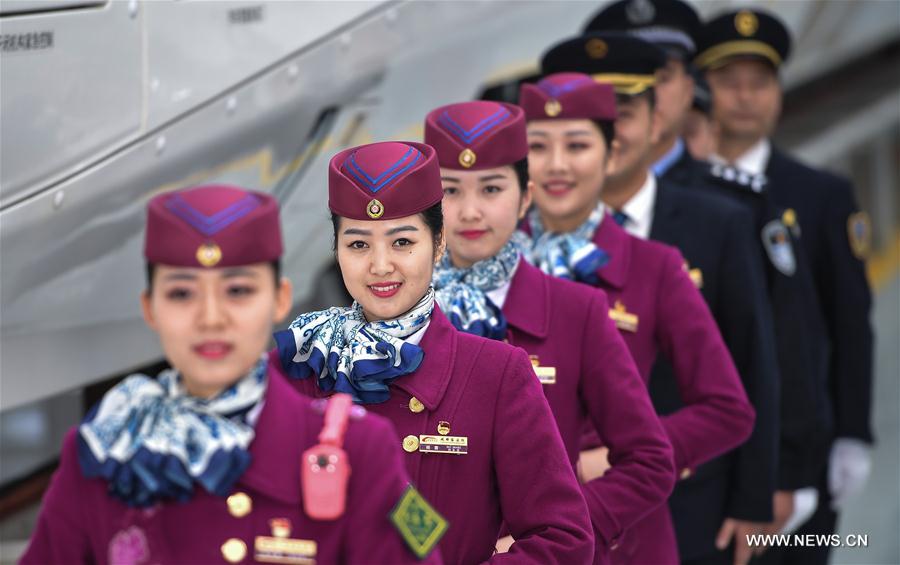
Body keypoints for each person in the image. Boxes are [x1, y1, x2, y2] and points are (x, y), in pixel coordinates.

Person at [22, 184, 439, 564]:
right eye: (182, 293)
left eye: (238, 291)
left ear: (280, 300)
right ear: (150, 308)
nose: (210, 318)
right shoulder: (106, 449)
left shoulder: (362, 452)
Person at [274, 141, 594, 564]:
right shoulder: (298, 364)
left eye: (403, 242)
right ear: (336, 249)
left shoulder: (495, 374)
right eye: (358, 245)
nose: (381, 265)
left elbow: (564, 539)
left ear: (439, 243)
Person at [543, 24, 781, 565]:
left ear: (655, 122)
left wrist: (757, 497)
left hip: (689, 499)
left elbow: (755, 363)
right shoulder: (507, 252)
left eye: (619, 115)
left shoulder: (714, 223)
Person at [425, 99, 675, 563]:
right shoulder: (393, 318)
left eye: (492, 189)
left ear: (525, 197)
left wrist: (570, 526)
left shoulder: (576, 312)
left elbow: (650, 460)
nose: (470, 211)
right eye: (450, 191)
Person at [696, 9, 875, 564]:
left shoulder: (820, 195)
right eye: (729, 84)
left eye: (760, 83)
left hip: (803, 451)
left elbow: (848, 321)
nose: (746, 98)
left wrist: (852, 431)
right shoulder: (678, 196)